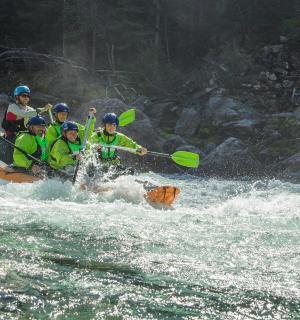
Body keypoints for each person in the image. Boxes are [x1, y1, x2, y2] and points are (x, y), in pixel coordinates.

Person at [0, 85, 51, 163]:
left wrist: (46, 128)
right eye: (23, 95)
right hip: (11, 137)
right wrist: (43, 109)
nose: (26, 98)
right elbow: (24, 114)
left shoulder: (29, 109)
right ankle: (11, 164)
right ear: (17, 97)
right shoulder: (12, 107)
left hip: (23, 136)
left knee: (38, 143)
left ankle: (40, 163)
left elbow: (36, 117)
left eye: (28, 96)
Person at [90, 112, 147, 178]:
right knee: (91, 169)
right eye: (109, 125)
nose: (112, 127)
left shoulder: (119, 137)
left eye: (114, 125)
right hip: (99, 165)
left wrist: (140, 149)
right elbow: (88, 144)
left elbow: (132, 145)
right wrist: (93, 146)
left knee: (130, 171)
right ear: (104, 125)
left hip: (113, 165)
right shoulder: (97, 135)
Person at [48, 108, 96, 173]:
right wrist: (74, 157)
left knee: (90, 164)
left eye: (75, 133)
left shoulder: (79, 137)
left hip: (73, 164)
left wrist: (91, 117)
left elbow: (88, 130)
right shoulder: (60, 143)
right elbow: (61, 160)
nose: (73, 135)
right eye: (70, 133)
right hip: (57, 169)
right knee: (69, 168)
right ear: (64, 134)